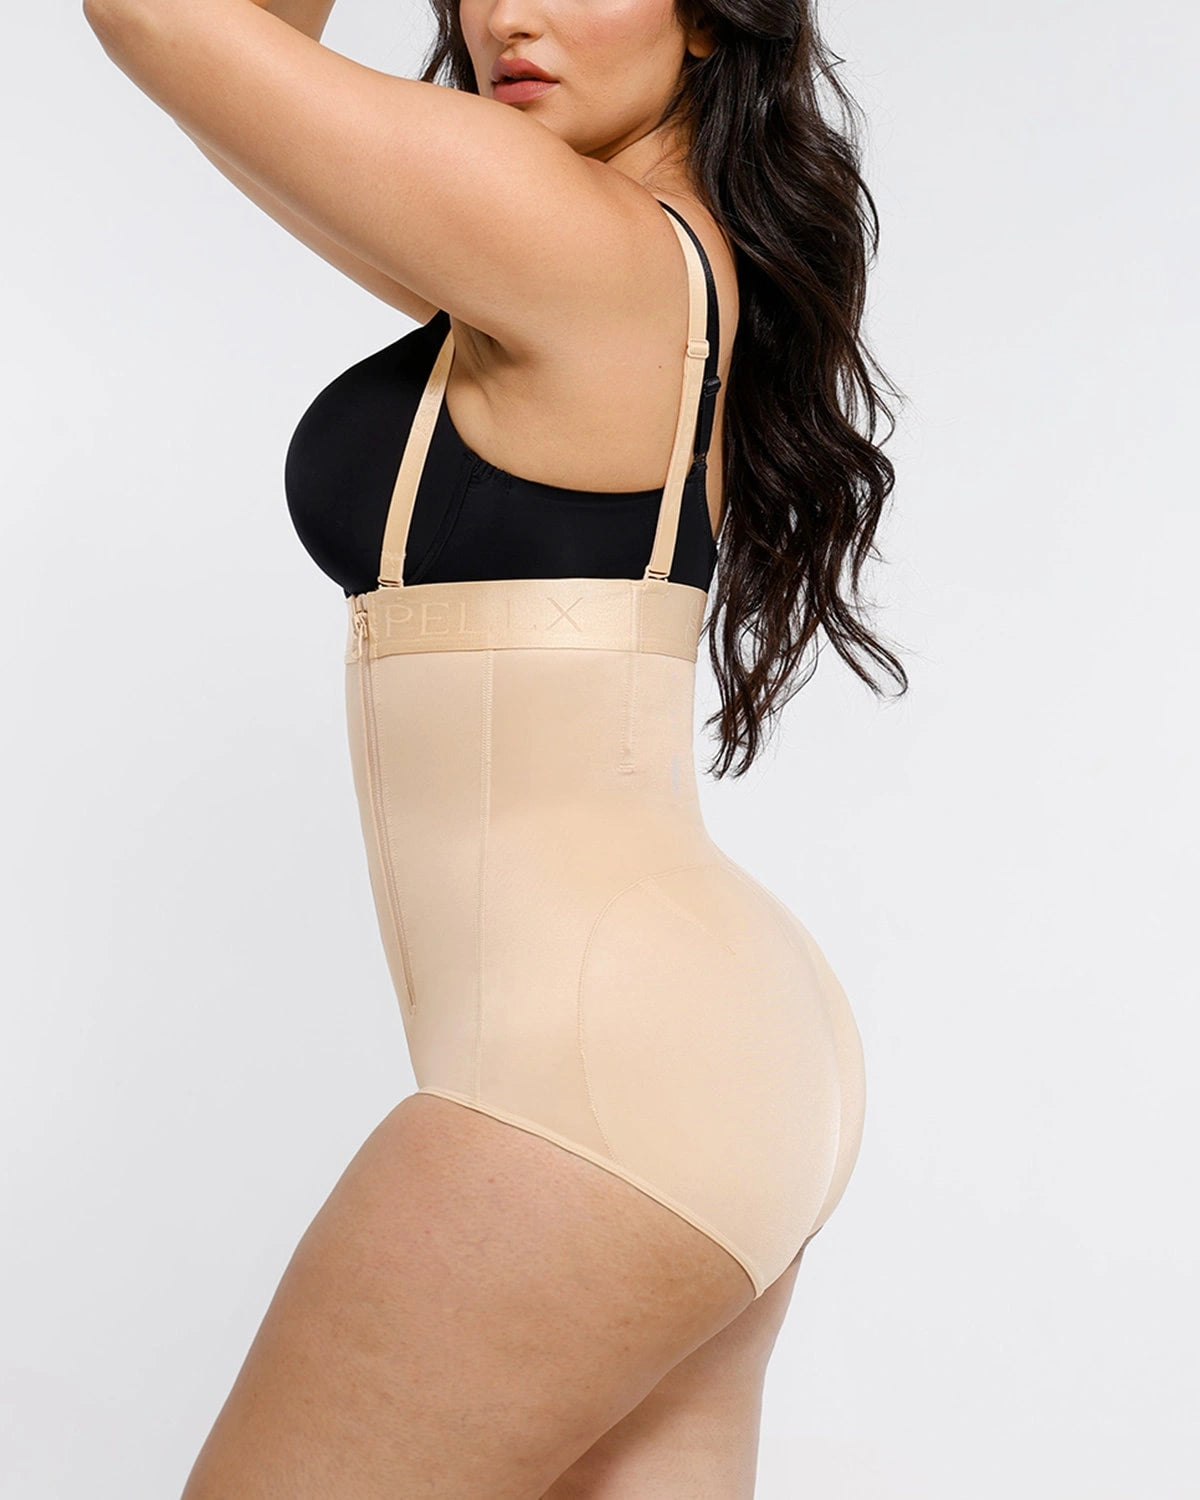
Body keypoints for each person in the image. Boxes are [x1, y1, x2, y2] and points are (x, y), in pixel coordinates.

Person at [84, 0, 908, 1492]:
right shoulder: (614, 259)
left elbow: (154, 13)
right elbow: (225, 68)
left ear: (710, 21)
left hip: (598, 1084)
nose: (506, 16)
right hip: (715, 1064)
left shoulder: (576, 240)